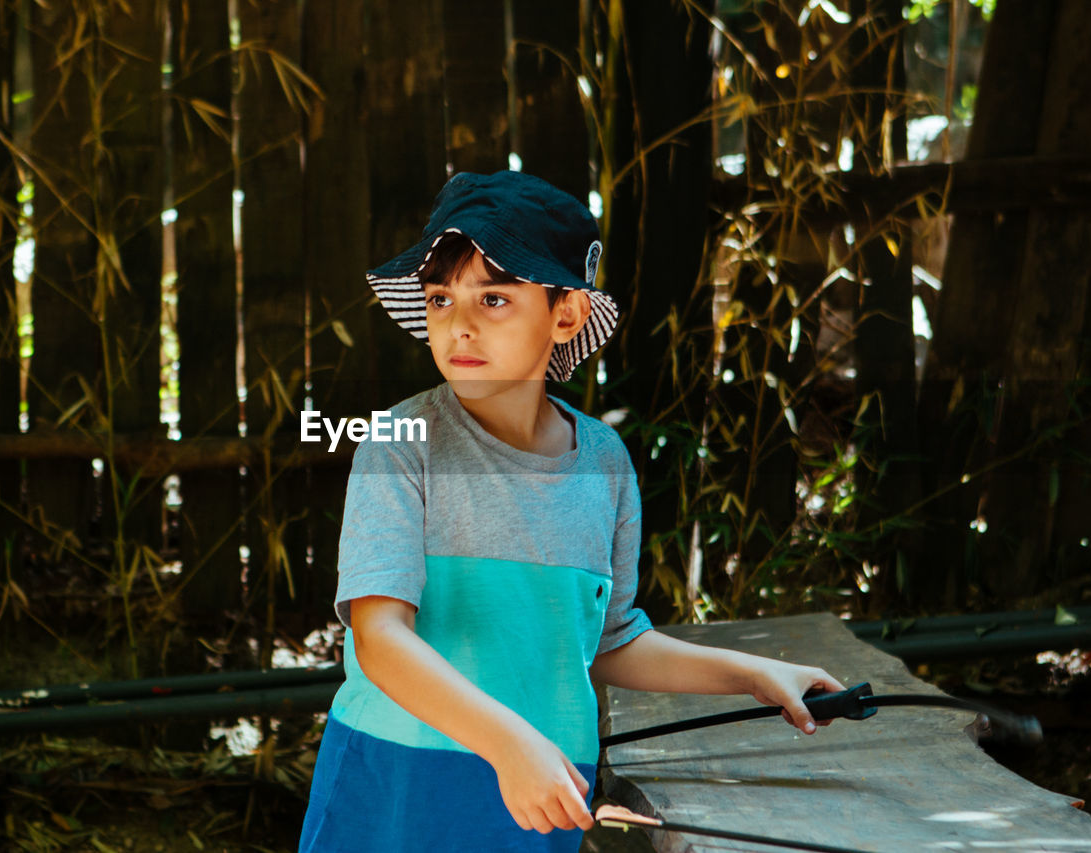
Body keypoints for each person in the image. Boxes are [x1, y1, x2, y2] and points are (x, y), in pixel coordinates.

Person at [298, 171, 842, 852]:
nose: (458, 325)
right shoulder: (400, 444)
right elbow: (380, 639)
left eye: (493, 298)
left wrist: (754, 674)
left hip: (534, 800)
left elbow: (609, 641)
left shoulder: (604, 461)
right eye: (441, 299)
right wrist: (509, 743)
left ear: (566, 314)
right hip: (396, 789)